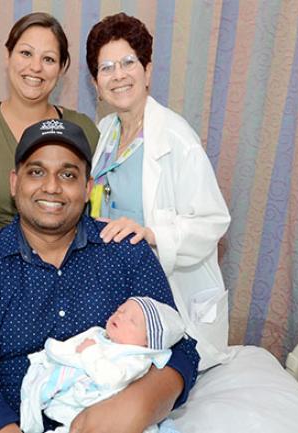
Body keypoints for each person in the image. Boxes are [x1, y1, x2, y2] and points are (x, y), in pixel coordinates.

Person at [0, 119, 199, 433]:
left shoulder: (126, 251)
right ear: (13, 182)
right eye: (36, 172)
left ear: (87, 187)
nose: (52, 186)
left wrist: (139, 404)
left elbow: (180, 349)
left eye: (68, 175)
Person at [85, 13, 231, 370]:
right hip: (119, 288)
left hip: (165, 291)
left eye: (128, 63)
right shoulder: (106, 131)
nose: (118, 74)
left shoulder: (176, 139)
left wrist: (153, 234)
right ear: (96, 83)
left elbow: (214, 221)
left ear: (147, 71)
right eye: (106, 67)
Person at [0, 12, 99, 240]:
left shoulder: (83, 129)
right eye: (26, 53)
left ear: (62, 68)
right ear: (8, 56)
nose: (35, 67)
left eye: (49, 59)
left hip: (67, 265)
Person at [20, 296, 186, 433]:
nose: (120, 315)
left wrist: (89, 352)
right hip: (76, 407)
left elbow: (111, 378)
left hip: (105, 411)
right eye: (120, 310)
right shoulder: (101, 337)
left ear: (147, 342)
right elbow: (70, 352)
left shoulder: (136, 359)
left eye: (132, 320)